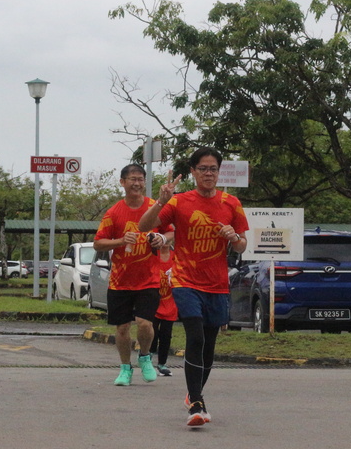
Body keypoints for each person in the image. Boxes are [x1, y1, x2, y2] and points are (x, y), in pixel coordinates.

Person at [139, 147, 249, 426]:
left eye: (213, 169)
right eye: (202, 169)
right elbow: (144, 226)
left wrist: (233, 237)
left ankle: (193, 394)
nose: (208, 174)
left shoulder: (231, 203)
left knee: (209, 346)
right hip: (185, 280)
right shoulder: (179, 202)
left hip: (217, 284)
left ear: (219, 171)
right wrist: (160, 202)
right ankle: (197, 404)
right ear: (193, 172)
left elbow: (242, 245)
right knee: (196, 337)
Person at [93, 164, 171, 386]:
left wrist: (161, 239)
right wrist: (120, 241)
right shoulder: (114, 212)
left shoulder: (154, 207)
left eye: (140, 179)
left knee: (145, 323)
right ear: (122, 182)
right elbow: (98, 243)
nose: (137, 183)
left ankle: (145, 357)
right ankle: (125, 368)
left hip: (149, 278)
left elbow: (171, 231)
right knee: (123, 327)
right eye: (132, 179)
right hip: (120, 281)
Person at [149, 240, 178, 377]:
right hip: (154, 300)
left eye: (168, 239)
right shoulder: (153, 255)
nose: (165, 242)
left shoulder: (176, 257)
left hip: (170, 302)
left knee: (166, 335)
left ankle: (162, 364)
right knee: (152, 333)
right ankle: (147, 359)